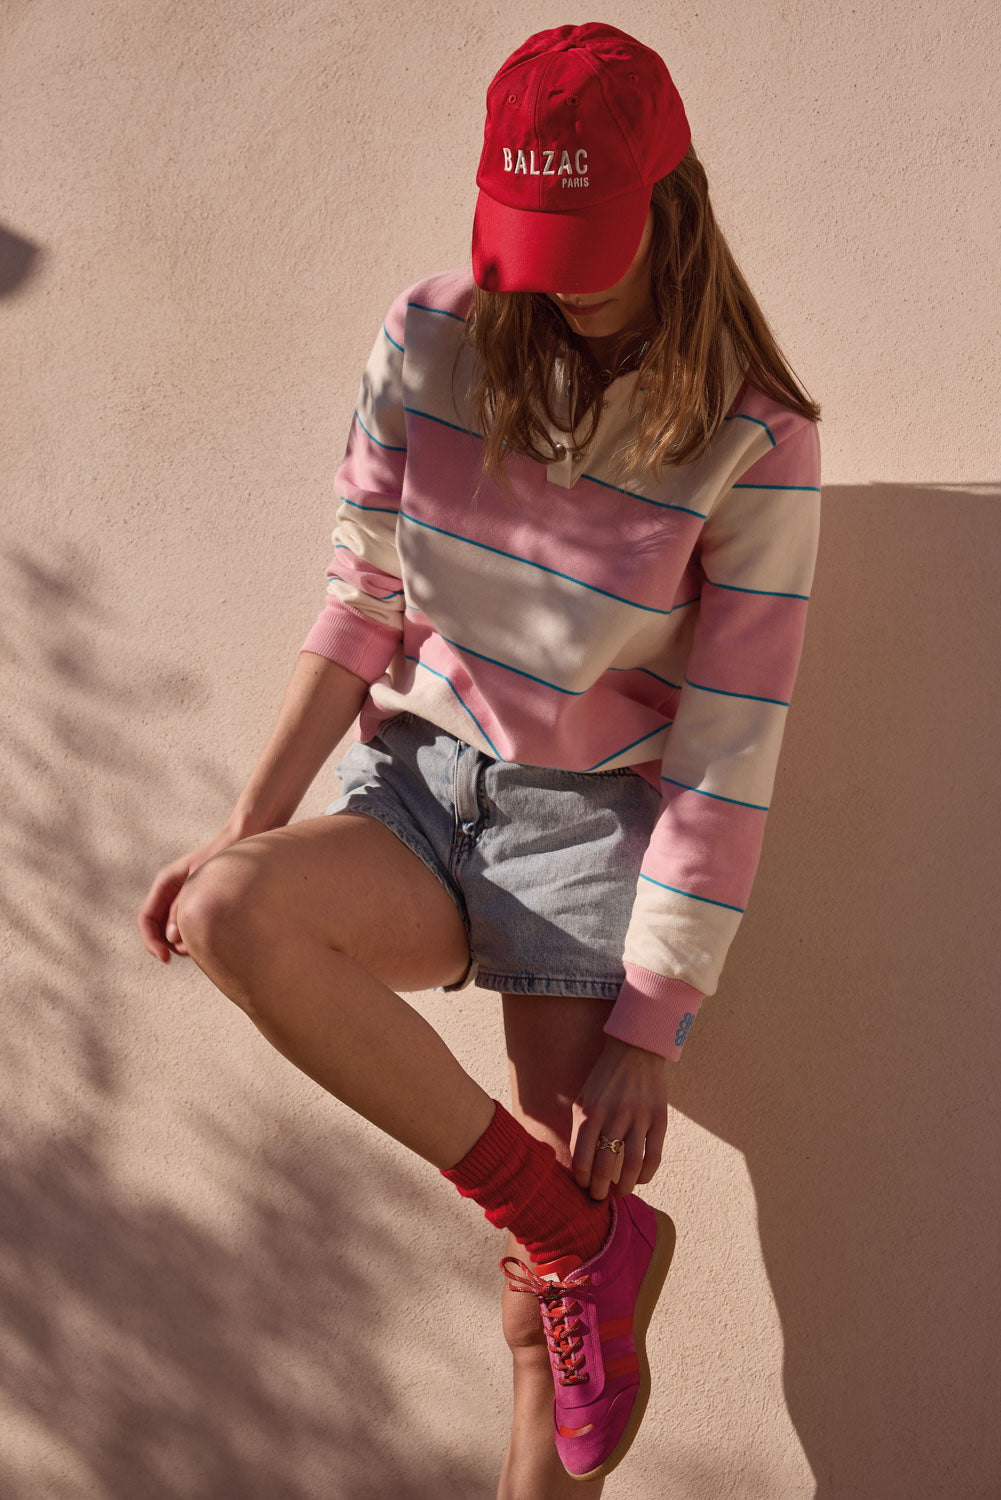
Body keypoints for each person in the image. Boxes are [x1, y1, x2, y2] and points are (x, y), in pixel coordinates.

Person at [137, 20, 822, 1496]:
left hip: (591, 822)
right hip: (421, 779)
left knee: (544, 1319)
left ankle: (572, 1246)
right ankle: (577, 1232)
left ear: (670, 205)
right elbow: (363, 598)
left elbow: (728, 745)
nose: (555, 279)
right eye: (531, 235)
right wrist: (247, 822)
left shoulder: (754, 438)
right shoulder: (431, 333)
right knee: (228, 910)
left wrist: (651, 1025)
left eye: (586, 241)